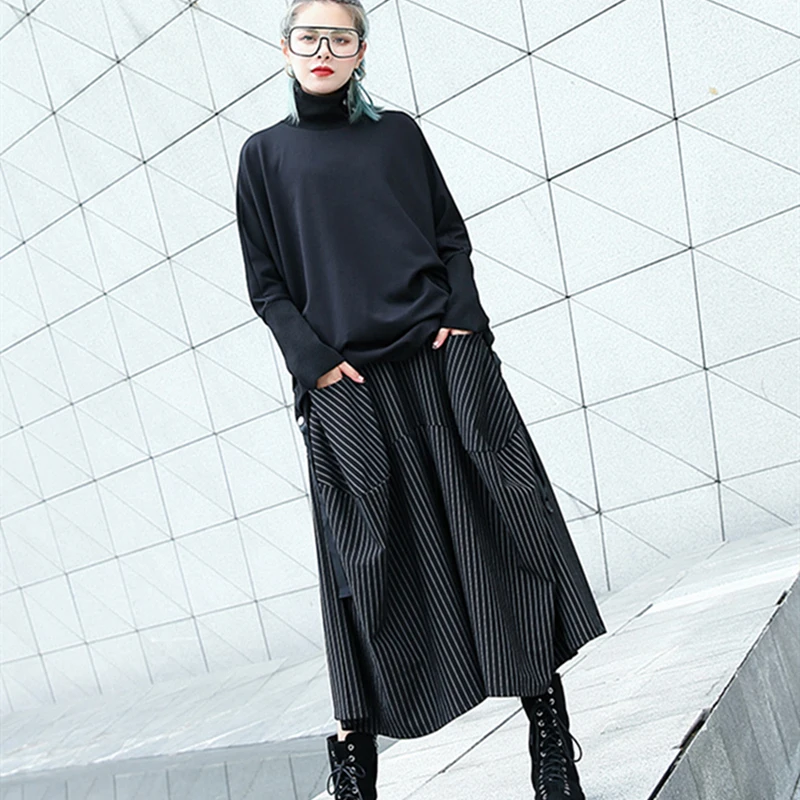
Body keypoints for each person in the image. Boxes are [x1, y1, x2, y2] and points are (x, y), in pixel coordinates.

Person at [234, 2, 607, 798]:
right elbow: (266, 285)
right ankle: (355, 770)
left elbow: (448, 235)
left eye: (340, 37)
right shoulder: (263, 155)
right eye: (309, 37)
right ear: (285, 49)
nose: (323, 49)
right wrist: (316, 365)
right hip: (347, 386)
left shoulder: (397, 134)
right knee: (364, 564)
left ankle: (550, 744)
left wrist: (464, 320)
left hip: (442, 364)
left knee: (501, 530)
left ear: (361, 51)